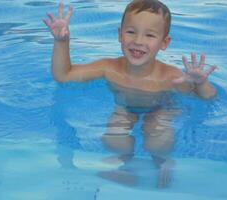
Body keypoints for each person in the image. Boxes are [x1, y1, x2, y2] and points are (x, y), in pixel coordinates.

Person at [43, 0, 217, 187]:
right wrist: (61, 41)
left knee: (158, 139)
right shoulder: (109, 68)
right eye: (131, 32)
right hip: (124, 106)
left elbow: (207, 98)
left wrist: (201, 83)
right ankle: (121, 160)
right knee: (114, 136)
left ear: (164, 43)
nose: (138, 41)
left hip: (160, 108)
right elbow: (63, 75)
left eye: (150, 35)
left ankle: (162, 160)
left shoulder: (170, 77)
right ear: (120, 34)